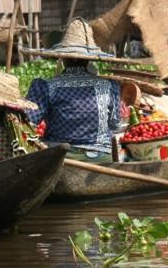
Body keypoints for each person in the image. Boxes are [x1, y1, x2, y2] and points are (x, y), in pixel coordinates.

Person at [24, 18, 124, 162]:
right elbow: (115, 124)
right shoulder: (109, 86)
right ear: (88, 59)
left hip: (60, 157)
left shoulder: (46, 87)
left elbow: (28, 122)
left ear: (63, 58)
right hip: (102, 157)